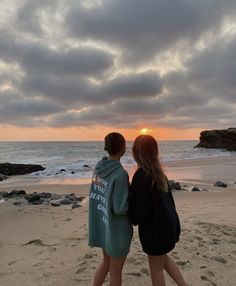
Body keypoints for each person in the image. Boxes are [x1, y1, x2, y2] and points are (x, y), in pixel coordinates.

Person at [128, 135, 188, 286]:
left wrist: (130, 215)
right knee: (163, 259)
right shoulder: (160, 174)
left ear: (136, 153)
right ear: (155, 152)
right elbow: (170, 204)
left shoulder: (141, 176)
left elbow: (142, 212)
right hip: (169, 226)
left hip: (156, 231)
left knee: (156, 268)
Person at [88, 132, 133, 286]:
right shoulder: (120, 174)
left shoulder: (99, 168)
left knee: (106, 263)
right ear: (123, 149)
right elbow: (120, 208)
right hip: (116, 231)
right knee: (115, 274)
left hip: (103, 227)